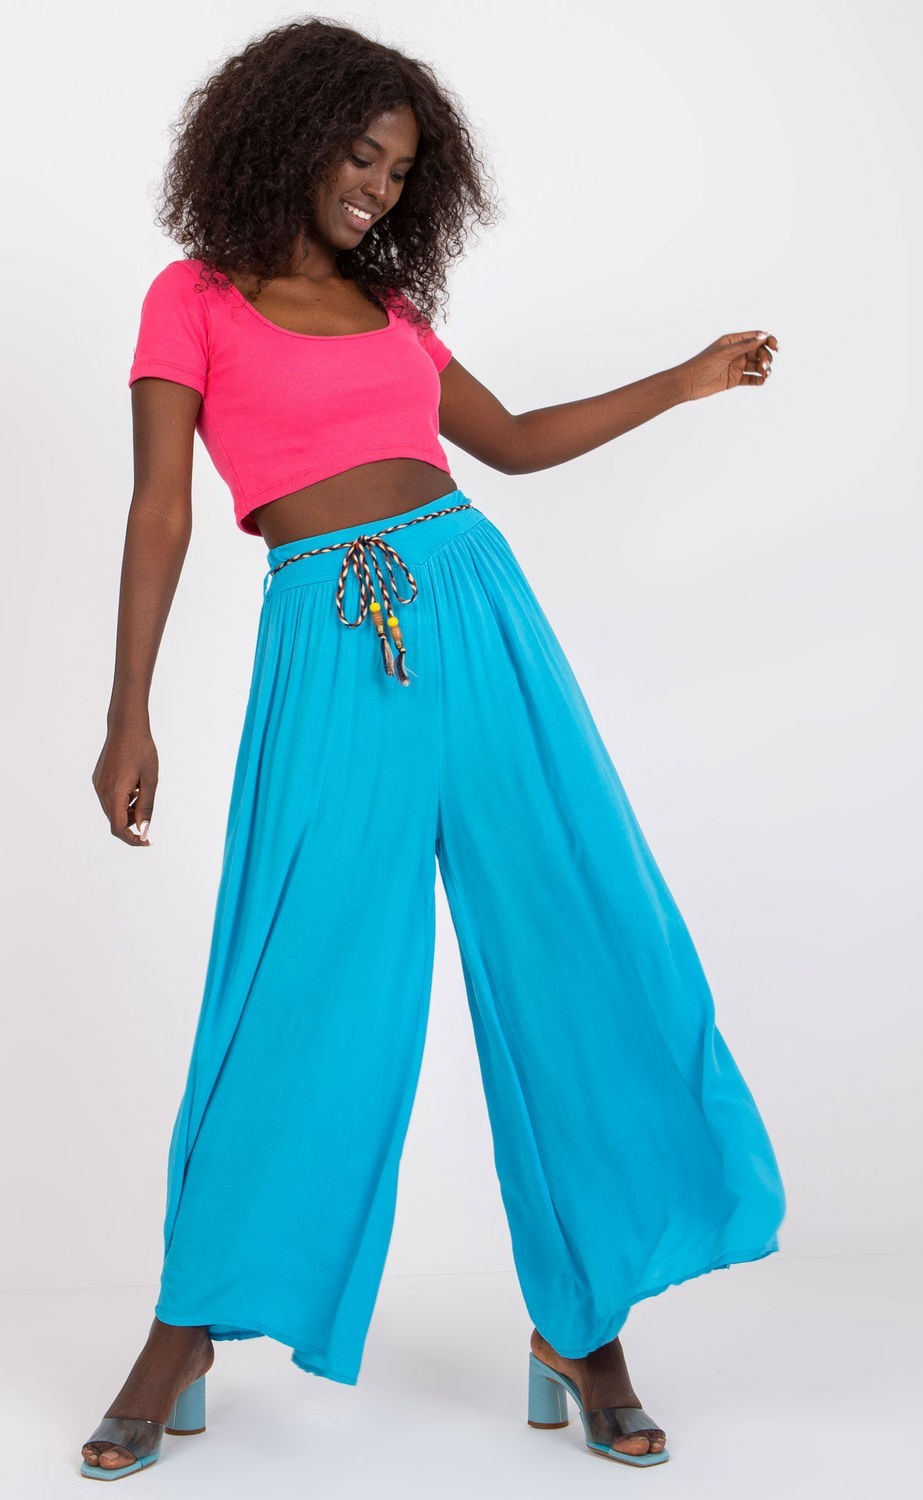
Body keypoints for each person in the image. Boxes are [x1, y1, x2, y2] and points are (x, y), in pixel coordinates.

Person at [82, 17, 785, 1480]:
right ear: (287, 136)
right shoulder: (191, 298)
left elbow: (510, 442)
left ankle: (583, 1323)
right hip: (329, 646)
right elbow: (161, 509)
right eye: (360, 154)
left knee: (575, 939)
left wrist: (686, 380)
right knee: (296, 979)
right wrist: (127, 708)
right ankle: (187, 1325)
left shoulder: (392, 308)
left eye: (401, 171)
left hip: (479, 614)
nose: (379, 187)